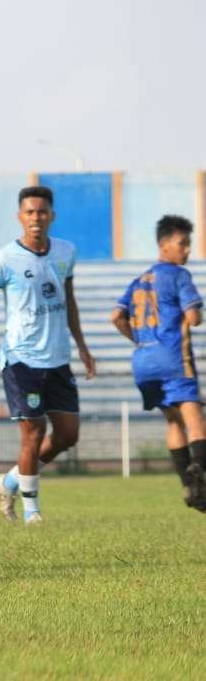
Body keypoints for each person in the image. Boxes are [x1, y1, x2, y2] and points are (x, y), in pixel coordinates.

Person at [0, 185, 96, 524]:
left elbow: (69, 300)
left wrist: (82, 346)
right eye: (29, 212)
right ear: (19, 217)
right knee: (34, 431)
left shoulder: (66, 252)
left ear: (51, 216)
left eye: (42, 212)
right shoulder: (4, 258)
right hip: (21, 358)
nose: (36, 218)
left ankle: (9, 481)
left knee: (68, 435)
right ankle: (32, 511)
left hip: (58, 357)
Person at [111, 215, 206, 510]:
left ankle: (187, 485)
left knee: (172, 421)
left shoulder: (139, 280)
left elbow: (116, 316)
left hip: (143, 362)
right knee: (195, 420)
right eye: (183, 244)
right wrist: (192, 314)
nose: (187, 250)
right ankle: (200, 478)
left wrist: (138, 340)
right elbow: (194, 318)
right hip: (174, 358)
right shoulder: (179, 275)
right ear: (165, 246)